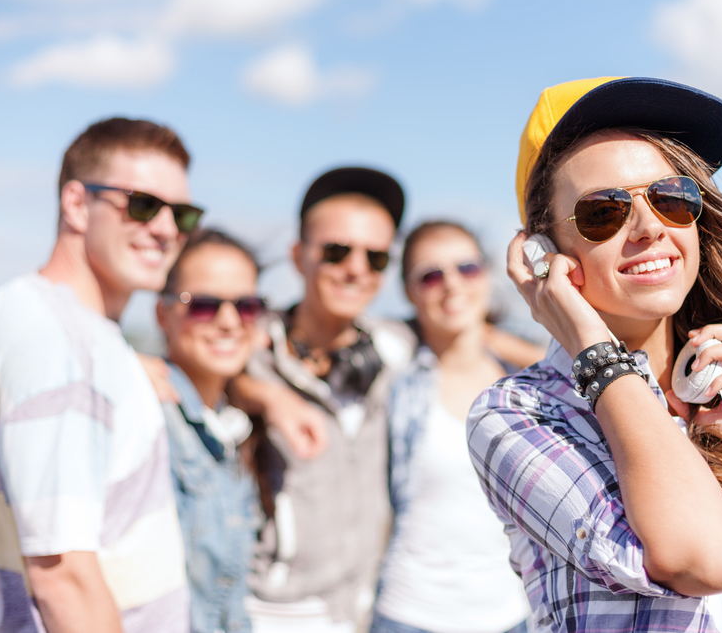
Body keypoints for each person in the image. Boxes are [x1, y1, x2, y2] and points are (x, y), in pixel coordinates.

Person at [466, 77, 722, 632]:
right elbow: (707, 561)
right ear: (542, 253)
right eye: (603, 212)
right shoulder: (517, 414)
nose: (649, 228)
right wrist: (594, 351)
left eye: (672, 198)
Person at [0, 118, 200, 631]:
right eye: (142, 204)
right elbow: (61, 577)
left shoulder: (75, 335)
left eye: (182, 213)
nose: (165, 229)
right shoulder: (57, 342)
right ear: (76, 204)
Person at [237, 166, 418, 633]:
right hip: (275, 612)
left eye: (376, 258)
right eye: (336, 251)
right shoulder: (247, 344)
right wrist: (267, 394)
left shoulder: (397, 350)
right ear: (298, 256)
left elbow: (476, 338)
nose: (356, 269)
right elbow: (182, 367)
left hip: (366, 609)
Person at [372, 220, 531, 633]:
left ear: (487, 274)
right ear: (409, 292)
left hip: (511, 613)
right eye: (430, 275)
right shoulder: (392, 374)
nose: (452, 285)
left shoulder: (527, 382)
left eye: (467, 268)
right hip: (409, 613)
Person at [155, 228, 266, 633]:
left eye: (247, 305)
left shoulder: (234, 426)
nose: (228, 321)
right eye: (203, 305)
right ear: (162, 314)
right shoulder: (148, 417)